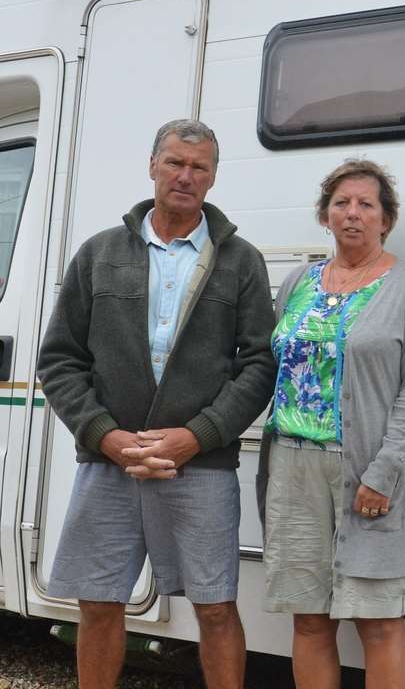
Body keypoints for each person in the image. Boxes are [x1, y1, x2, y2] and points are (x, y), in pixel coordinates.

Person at [37, 119, 276, 689]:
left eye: (199, 167)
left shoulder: (239, 260)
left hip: (199, 463)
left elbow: (260, 363)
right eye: (175, 162)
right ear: (153, 166)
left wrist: (198, 434)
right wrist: (105, 436)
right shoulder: (99, 253)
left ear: (213, 178)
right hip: (108, 460)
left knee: (215, 607)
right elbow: (60, 359)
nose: (185, 177)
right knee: (98, 601)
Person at [257, 158, 405, 689]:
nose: (353, 214)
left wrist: (384, 472)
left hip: (366, 470)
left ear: (387, 219)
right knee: (310, 617)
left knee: (378, 618)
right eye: (341, 203)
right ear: (325, 216)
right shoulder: (298, 282)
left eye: (366, 204)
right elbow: (274, 368)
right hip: (292, 466)